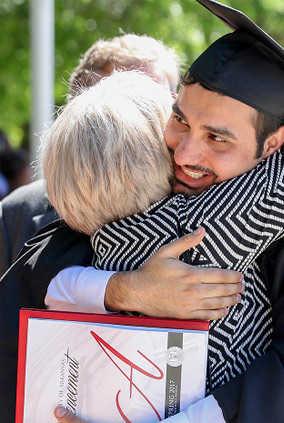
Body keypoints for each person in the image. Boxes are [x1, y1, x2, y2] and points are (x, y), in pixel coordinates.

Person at [1, 0, 284, 423]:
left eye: (217, 137)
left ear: (274, 144)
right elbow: (34, 278)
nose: (184, 154)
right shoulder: (138, 193)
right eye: (179, 119)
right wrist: (127, 288)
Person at [0, 34, 181, 277]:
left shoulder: (200, 213)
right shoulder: (15, 216)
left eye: (159, 100)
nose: (146, 114)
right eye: (125, 99)